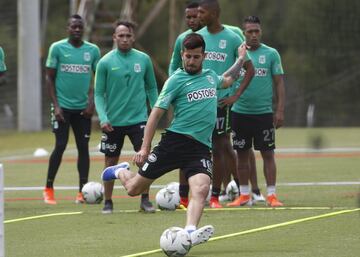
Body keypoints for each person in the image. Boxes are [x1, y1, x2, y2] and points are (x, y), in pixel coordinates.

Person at [101, 33, 248, 248]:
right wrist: (144, 147)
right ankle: (120, 171)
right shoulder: (176, 80)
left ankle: (189, 233)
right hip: (174, 143)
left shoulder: (209, 77)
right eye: (187, 56)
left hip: (199, 149)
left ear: (203, 56)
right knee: (134, 189)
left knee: (200, 189)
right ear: (182, 55)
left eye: (196, 57)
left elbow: (227, 80)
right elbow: (155, 114)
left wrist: (241, 59)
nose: (191, 61)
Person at [94, 21, 158, 214]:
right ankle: (108, 201)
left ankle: (145, 200)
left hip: (139, 120)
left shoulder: (144, 59)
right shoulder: (105, 62)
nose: (124, 39)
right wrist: (103, 118)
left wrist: (156, 111)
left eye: (128, 35)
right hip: (113, 123)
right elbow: (98, 93)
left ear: (133, 37)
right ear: (114, 37)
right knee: (110, 162)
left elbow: (152, 88)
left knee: (144, 159)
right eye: (120, 35)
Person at [197, 0, 255, 208]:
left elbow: (250, 69)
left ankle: (214, 196)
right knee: (200, 148)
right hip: (200, 102)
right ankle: (198, 193)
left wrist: (235, 96)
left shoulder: (232, 37)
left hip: (221, 103)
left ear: (214, 13)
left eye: (202, 12)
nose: (199, 15)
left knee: (220, 146)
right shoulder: (198, 37)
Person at [225, 15, 285, 207]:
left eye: (256, 31)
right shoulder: (238, 53)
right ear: (243, 33)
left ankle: (272, 195)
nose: (253, 35)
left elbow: (279, 83)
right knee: (241, 154)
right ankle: (244, 195)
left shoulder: (271, 54)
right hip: (239, 112)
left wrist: (280, 110)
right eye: (249, 32)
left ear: (261, 32)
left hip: (264, 113)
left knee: (268, 154)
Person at [43, 14, 101, 205]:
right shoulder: (57, 48)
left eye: (79, 27)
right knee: (60, 145)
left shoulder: (92, 51)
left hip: (83, 110)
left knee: (83, 148)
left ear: (83, 29)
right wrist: (57, 106)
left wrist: (91, 104)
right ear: (67, 28)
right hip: (62, 109)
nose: (77, 30)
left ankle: (81, 191)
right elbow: (49, 78)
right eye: (73, 26)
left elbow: (99, 79)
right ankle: (48, 188)